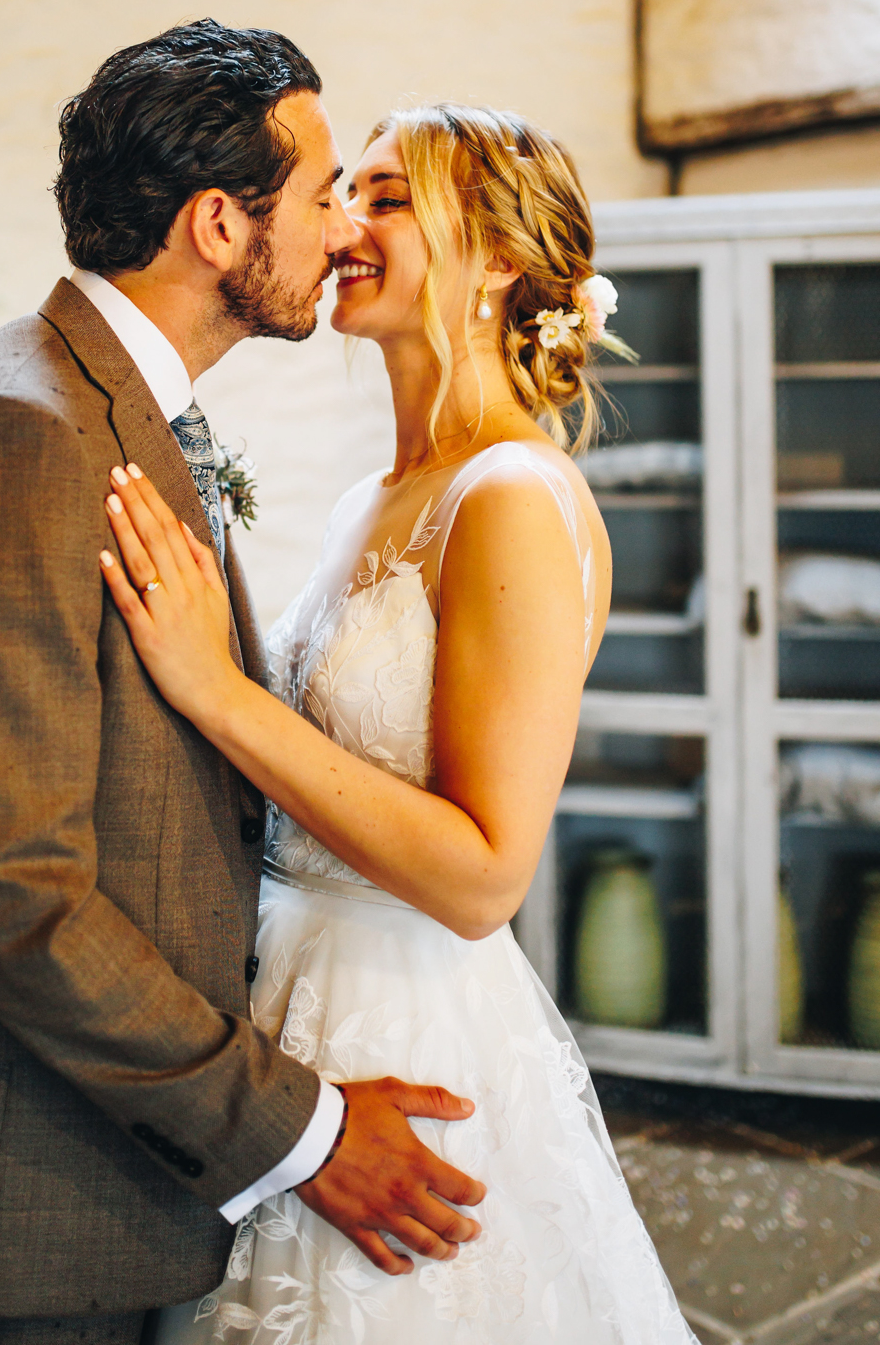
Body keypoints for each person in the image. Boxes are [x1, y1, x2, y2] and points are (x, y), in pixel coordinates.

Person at [0, 24, 487, 1344]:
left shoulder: (112, 409)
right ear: (220, 224)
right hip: (9, 1192)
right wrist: (309, 1134)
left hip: (103, 1156)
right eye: (327, 190)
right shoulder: (20, 437)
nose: (344, 230)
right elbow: (18, 902)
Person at [97, 104, 700, 1343]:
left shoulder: (513, 499)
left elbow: (483, 875)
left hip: (408, 1013)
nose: (342, 224)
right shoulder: (373, 496)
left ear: (493, 258)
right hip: (284, 1010)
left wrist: (213, 689)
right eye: (344, 194)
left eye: (386, 196)